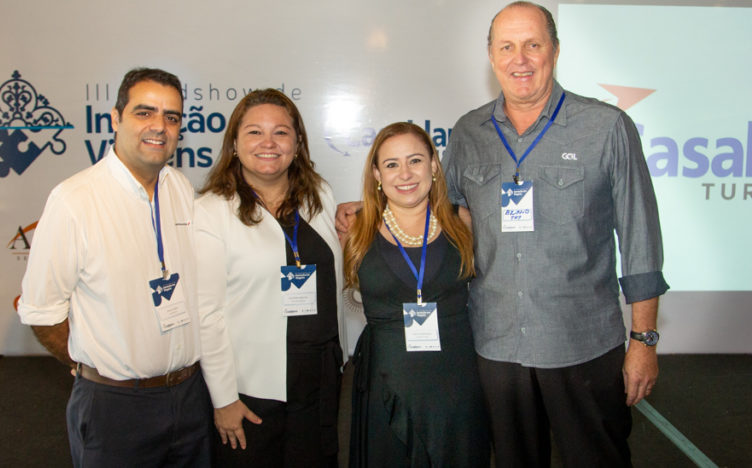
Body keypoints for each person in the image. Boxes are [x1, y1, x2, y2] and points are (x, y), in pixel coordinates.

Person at [443, 2, 670, 466]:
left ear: (556, 51)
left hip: (581, 343)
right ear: (490, 55)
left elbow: (641, 238)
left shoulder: (607, 127)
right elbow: (446, 223)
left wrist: (643, 341)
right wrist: (371, 214)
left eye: (532, 44)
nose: (519, 59)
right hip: (496, 343)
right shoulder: (468, 133)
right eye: (506, 46)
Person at [17, 68, 212, 467]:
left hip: (192, 397)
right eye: (145, 112)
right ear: (115, 119)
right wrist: (93, 367)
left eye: (172, 117)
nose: (159, 126)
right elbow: (42, 312)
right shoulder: (74, 200)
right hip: (115, 408)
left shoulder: (180, 188)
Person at [195, 89, 346, 467]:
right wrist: (224, 399)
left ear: (297, 144)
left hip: (321, 379)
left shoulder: (320, 195)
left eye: (280, 132)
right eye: (254, 132)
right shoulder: (211, 212)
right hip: (252, 389)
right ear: (234, 143)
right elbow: (207, 314)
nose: (268, 143)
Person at [343, 122, 491, 467]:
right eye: (392, 164)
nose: (405, 174)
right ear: (377, 173)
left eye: (415, 160)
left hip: (455, 380)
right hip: (386, 380)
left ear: (434, 166)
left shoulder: (464, 222)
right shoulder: (354, 229)